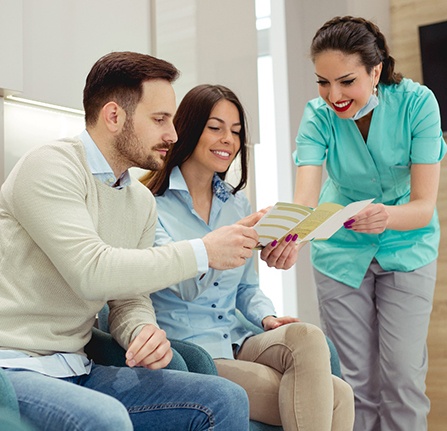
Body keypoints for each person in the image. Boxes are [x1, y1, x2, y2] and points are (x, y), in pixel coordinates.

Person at [0, 51, 261, 430]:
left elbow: (128, 298)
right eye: (160, 120)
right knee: (105, 419)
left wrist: (140, 330)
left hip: (78, 367)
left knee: (223, 398)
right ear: (114, 116)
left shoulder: (138, 200)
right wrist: (202, 251)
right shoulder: (50, 167)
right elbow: (93, 271)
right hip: (14, 367)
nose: (172, 134)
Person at [141, 84, 355, 431]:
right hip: (194, 351)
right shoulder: (150, 204)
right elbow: (183, 287)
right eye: (216, 127)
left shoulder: (236, 204)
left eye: (236, 131)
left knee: (309, 337)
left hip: (239, 337)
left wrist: (266, 317)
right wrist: (224, 241)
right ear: (189, 128)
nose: (228, 139)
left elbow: (246, 289)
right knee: (338, 397)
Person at [292, 16, 447, 431]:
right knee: (353, 384)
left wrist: (386, 217)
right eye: (323, 82)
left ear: (375, 70)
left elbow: (423, 207)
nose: (334, 96)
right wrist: (288, 234)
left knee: (403, 378)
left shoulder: (418, 104)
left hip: (406, 246)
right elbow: (305, 199)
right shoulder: (317, 116)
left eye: (346, 81)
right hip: (340, 251)